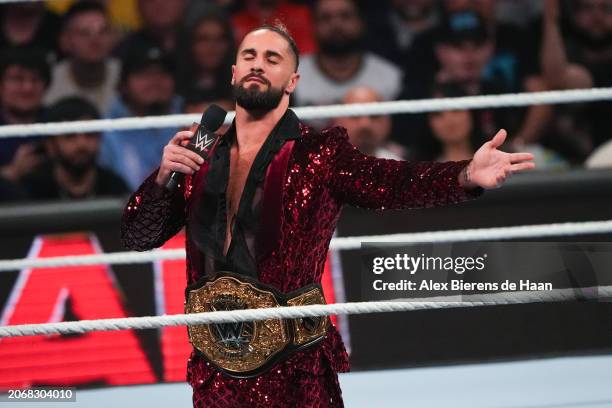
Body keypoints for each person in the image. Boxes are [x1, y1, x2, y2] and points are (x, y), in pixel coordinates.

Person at [120, 23, 535, 407]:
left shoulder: (319, 155)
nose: (258, 65)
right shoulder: (200, 153)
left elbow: (394, 183)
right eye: (249, 56)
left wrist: (464, 174)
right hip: (215, 375)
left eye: (272, 58)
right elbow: (138, 236)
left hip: (296, 375)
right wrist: (161, 178)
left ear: (293, 81)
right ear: (233, 72)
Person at [98, 44, 183, 190]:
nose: (155, 81)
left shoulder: (188, 116)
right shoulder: (108, 130)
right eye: (144, 74)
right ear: (123, 84)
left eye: (162, 73)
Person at [21, 97, 129, 200]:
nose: (81, 144)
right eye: (70, 136)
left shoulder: (116, 188)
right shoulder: (31, 190)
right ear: (51, 145)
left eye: (89, 134)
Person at [44, 1, 120, 113]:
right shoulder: (48, 84)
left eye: (103, 32)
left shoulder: (128, 77)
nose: (95, 40)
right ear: (65, 41)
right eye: (84, 33)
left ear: (113, 38)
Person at [332, 86, 407, 160]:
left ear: (387, 122)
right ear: (337, 121)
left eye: (374, 116)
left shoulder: (399, 168)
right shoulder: (322, 166)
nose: (365, 124)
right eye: (354, 115)